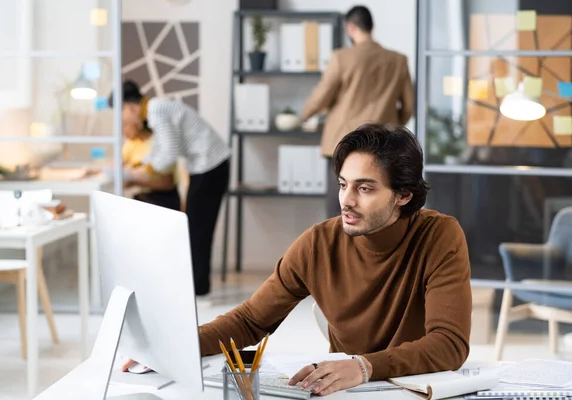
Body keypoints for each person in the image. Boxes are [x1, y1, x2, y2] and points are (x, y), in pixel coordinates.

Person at [123, 124, 472, 396]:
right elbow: (249, 321)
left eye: (365, 189)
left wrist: (363, 366)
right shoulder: (319, 242)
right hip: (345, 393)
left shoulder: (439, 236)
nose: (346, 200)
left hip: (416, 390)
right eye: (342, 184)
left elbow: (450, 344)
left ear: (403, 195)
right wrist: (169, 346)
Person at [109, 80, 231, 297]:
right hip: (206, 165)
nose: (122, 122)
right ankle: (197, 285)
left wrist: (136, 173)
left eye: (120, 116)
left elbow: (169, 153)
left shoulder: (156, 110)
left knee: (197, 228)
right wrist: (139, 167)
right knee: (195, 226)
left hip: (210, 165)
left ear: (128, 106)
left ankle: (197, 287)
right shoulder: (155, 111)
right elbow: (160, 149)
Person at [301, 5, 415, 218]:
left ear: (350, 27)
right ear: (371, 27)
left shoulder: (342, 58)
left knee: (340, 208)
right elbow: (409, 107)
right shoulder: (398, 60)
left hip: (343, 143)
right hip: (383, 145)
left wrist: (303, 115)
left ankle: (339, 251)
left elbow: (322, 96)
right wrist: (389, 125)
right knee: (379, 206)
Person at [121, 122, 180, 211]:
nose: (122, 131)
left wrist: (134, 181)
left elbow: (168, 183)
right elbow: (120, 164)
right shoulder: (131, 144)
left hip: (162, 200)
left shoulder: (159, 143)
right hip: (143, 197)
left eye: (124, 125)